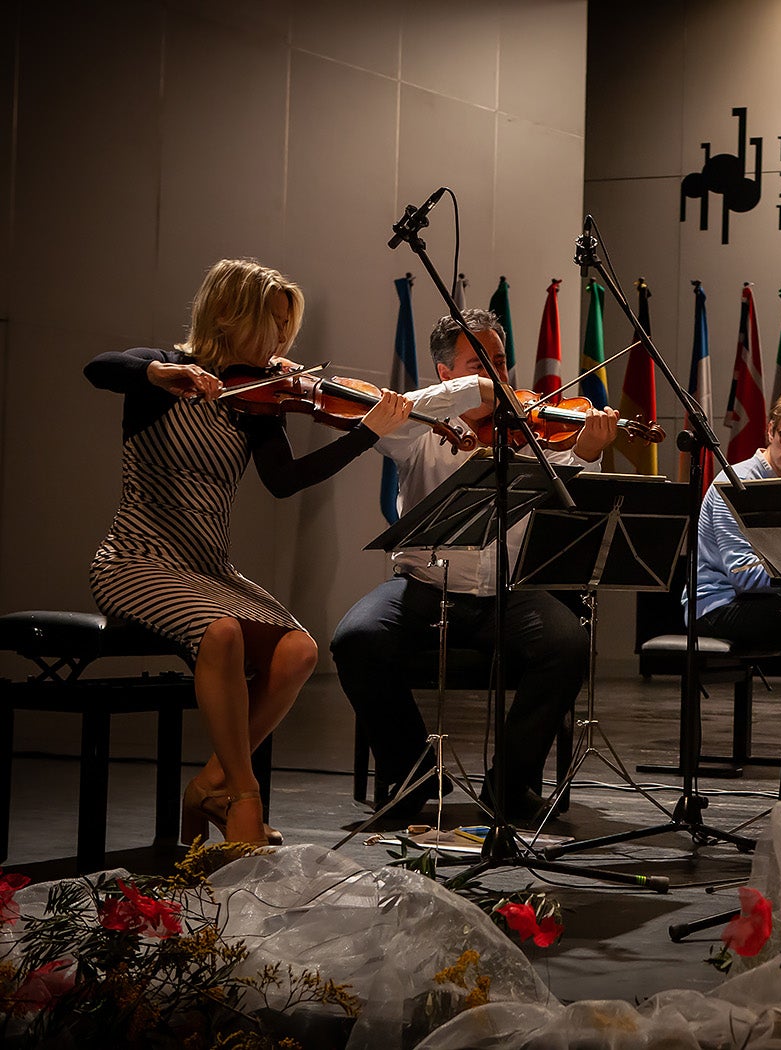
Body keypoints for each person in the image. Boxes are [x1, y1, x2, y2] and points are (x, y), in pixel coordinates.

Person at [86, 258, 413, 846]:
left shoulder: (254, 402)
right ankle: (243, 796)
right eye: (275, 325)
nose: (284, 341)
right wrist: (161, 372)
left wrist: (368, 434)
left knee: (297, 652)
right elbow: (102, 367)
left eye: (289, 328)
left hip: (207, 567)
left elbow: (284, 481)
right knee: (223, 634)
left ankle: (210, 785)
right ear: (230, 316)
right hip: (135, 560)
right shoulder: (160, 376)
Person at [330, 308, 619, 826]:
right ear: (445, 372)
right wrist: (474, 393)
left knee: (567, 643)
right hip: (423, 585)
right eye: (478, 362)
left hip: (508, 592)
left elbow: (571, 479)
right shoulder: (415, 425)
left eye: (501, 362)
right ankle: (414, 769)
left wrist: (590, 451)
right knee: (355, 639)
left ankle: (510, 783)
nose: (497, 374)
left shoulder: (530, 426)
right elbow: (380, 415)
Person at [690, 389, 781, 649]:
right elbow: (742, 575)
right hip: (717, 604)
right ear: (771, 431)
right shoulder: (737, 483)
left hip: (759, 600)